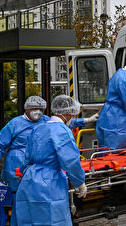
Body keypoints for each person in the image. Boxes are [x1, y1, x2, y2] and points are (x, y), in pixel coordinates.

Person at [14, 95, 87, 226]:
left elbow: (27, 157)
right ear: (68, 113)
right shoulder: (62, 131)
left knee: (28, 217)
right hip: (50, 182)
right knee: (52, 218)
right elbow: (70, 160)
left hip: (29, 180)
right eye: (72, 114)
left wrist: (23, 172)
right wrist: (80, 182)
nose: (72, 117)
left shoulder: (38, 128)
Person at [0, 95, 49, 192]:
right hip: (15, 166)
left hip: (38, 166)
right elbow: (0, 143)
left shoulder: (46, 121)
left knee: (36, 195)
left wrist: (81, 121)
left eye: (41, 109)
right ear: (27, 109)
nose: (38, 112)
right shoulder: (15, 123)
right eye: (35, 108)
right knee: (16, 194)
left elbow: (61, 125)